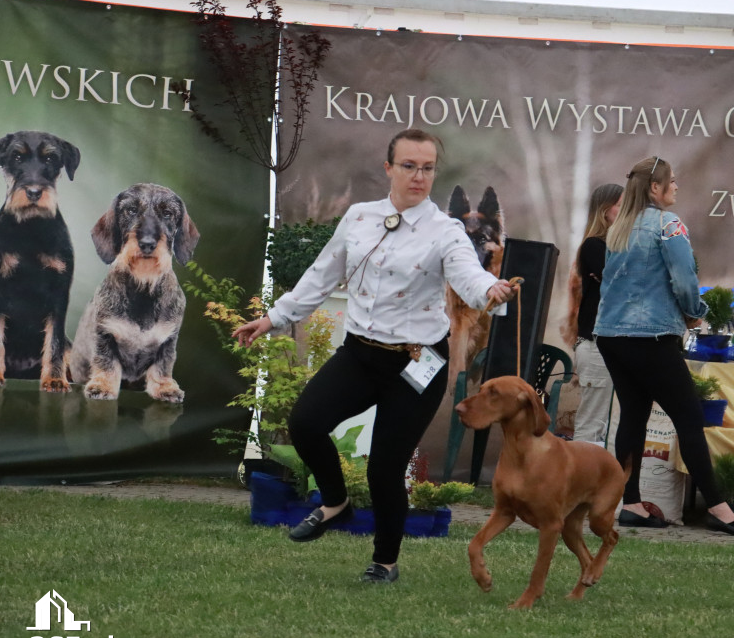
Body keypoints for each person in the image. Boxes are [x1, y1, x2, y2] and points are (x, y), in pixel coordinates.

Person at [234, 128, 518, 582]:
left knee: (387, 466)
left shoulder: (445, 230)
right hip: (361, 353)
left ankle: (384, 562)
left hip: (418, 361)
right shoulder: (360, 217)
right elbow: (321, 274)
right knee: (306, 422)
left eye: (427, 168)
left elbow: (468, 274)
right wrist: (273, 318)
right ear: (389, 168)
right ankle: (335, 503)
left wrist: (491, 290)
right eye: (409, 166)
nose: (418, 176)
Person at [593, 155, 734, 537]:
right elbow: (685, 278)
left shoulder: (619, 226)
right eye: (673, 182)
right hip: (651, 335)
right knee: (688, 418)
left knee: (633, 416)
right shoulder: (668, 225)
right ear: (656, 188)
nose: (676, 188)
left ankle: (629, 503)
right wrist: (694, 311)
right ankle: (719, 508)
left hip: (610, 334)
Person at [561, 183, 623, 443]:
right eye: (622, 205)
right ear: (606, 210)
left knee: (611, 423)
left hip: (612, 343)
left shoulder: (618, 247)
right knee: (592, 423)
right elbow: (621, 282)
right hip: (596, 344)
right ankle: (580, 480)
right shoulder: (594, 246)